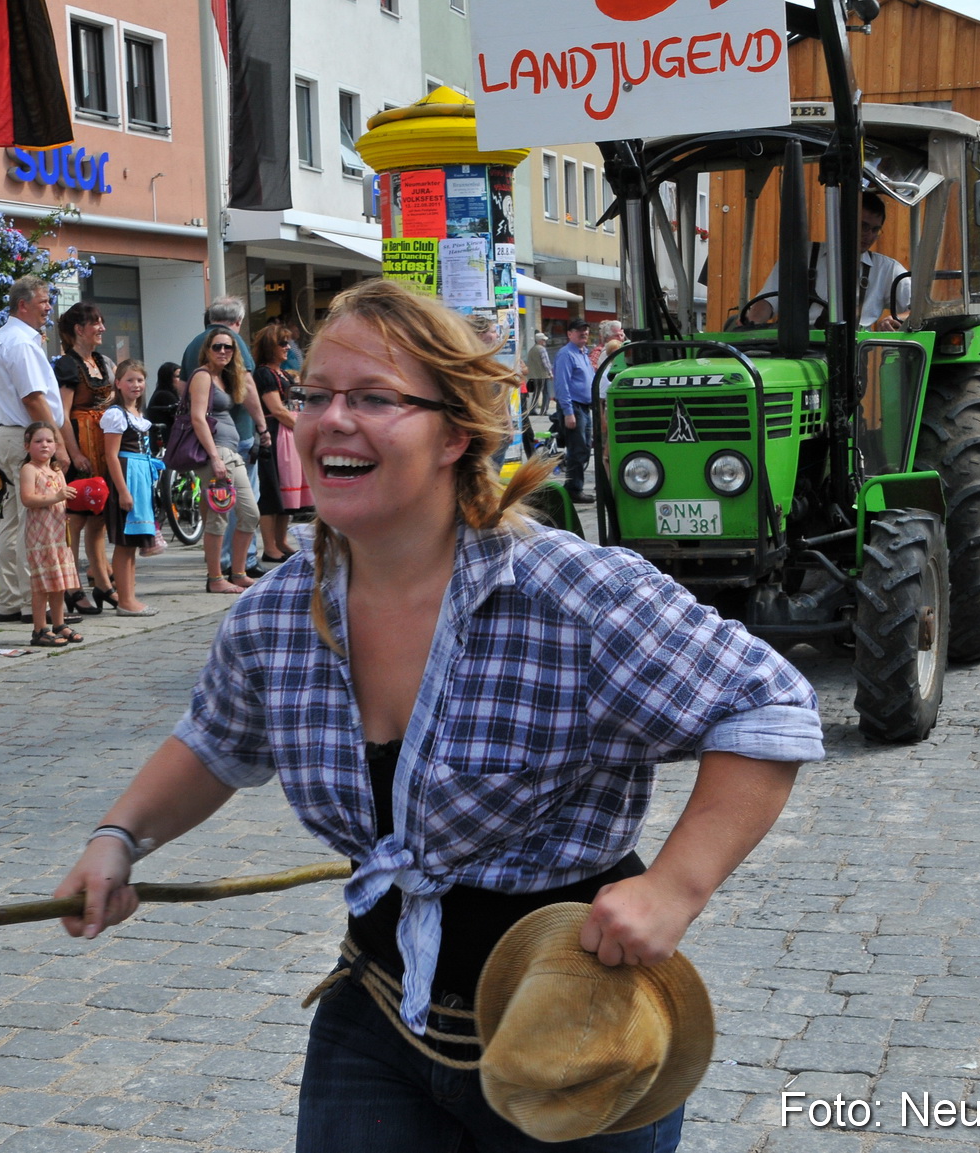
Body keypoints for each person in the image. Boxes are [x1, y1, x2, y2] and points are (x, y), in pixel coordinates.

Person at [53, 279, 821, 1152]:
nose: (332, 418)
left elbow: (768, 706)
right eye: (316, 394)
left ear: (456, 432)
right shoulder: (277, 615)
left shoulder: (568, 592)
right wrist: (118, 838)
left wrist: (675, 888)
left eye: (375, 398)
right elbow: (216, 741)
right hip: (378, 1014)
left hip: (573, 1027)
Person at [0, 275, 64, 625]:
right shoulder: (19, 342)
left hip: (9, 432)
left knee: (14, 517)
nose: (49, 307)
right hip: (24, 434)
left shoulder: (3, 338)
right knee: (31, 518)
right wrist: (54, 442)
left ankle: (12, 599)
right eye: (44, 301)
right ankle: (37, 603)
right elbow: (33, 398)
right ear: (23, 304)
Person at [745, 192, 909, 330]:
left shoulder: (886, 269)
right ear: (843, 221)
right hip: (796, 350)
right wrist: (750, 325)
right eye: (863, 226)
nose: (869, 235)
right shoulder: (801, 256)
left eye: (875, 229)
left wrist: (897, 319)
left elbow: (919, 311)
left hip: (852, 355)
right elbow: (767, 301)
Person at [186, 326, 262, 594]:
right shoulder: (203, 376)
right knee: (219, 517)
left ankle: (238, 572)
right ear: (207, 349)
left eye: (228, 347)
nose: (222, 351)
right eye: (217, 346)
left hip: (231, 453)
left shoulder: (223, 377)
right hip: (217, 455)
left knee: (250, 514)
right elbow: (197, 418)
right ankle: (215, 577)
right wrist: (215, 458)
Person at [53, 302, 117, 615]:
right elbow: (62, 415)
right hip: (81, 442)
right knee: (75, 521)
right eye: (96, 323)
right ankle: (71, 586)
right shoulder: (67, 365)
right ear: (79, 330)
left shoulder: (102, 362)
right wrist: (73, 452)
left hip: (102, 444)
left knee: (99, 517)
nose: (102, 328)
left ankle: (102, 581)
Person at [100, 360, 161, 616]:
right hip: (127, 477)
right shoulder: (116, 414)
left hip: (140, 476)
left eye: (139, 380)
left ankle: (129, 596)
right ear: (118, 383)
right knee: (124, 544)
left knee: (133, 544)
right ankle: (124, 600)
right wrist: (123, 491)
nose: (135, 385)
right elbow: (111, 456)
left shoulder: (138, 415)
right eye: (129, 380)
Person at [20, 423, 81, 646]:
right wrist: (56, 497)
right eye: (38, 441)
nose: (44, 445)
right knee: (43, 584)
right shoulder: (30, 469)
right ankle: (39, 628)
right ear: (27, 446)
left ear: (56, 445)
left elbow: (64, 498)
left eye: (48, 441)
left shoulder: (55, 471)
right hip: (41, 535)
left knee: (60, 581)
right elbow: (28, 499)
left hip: (58, 534)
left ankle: (59, 623)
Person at [252, 324, 298, 563]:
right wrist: (301, 428)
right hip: (274, 434)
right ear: (270, 346)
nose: (287, 348)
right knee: (271, 491)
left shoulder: (283, 374)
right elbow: (277, 410)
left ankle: (281, 541)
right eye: (282, 343)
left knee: (286, 492)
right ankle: (270, 546)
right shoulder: (263, 374)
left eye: (287, 343)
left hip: (286, 434)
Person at [551, 317, 595, 503]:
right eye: (579, 330)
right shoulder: (566, 354)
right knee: (577, 450)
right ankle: (573, 489)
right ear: (570, 334)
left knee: (584, 448)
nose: (583, 333)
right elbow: (562, 385)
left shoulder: (583, 353)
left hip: (584, 407)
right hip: (574, 407)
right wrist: (568, 412)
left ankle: (573, 486)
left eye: (585, 330)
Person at [523, 330, 551, 416]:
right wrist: (550, 373)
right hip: (542, 375)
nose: (545, 341)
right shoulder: (542, 349)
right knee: (546, 393)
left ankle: (532, 410)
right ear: (539, 340)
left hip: (534, 376)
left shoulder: (532, 350)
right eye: (543, 340)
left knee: (536, 393)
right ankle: (544, 411)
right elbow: (546, 363)